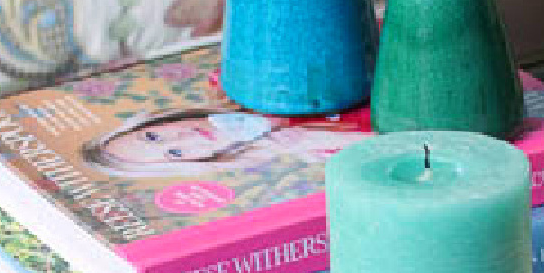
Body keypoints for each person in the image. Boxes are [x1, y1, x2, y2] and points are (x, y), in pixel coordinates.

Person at [80, 107, 369, 178]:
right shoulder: (303, 152)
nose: (183, 137)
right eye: (175, 153)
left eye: (152, 136)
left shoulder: (231, 86)